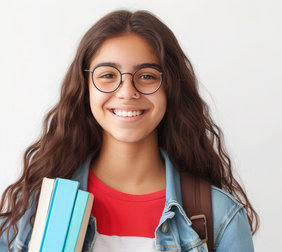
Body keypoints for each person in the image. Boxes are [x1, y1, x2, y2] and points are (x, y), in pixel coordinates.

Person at [0, 9, 258, 252]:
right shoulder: (34, 207)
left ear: (171, 88)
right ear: (84, 88)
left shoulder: (220, 215)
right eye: (108, 75)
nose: (126, 92)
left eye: (147, 76)